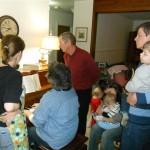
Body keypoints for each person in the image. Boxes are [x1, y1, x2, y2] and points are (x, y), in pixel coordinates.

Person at [24, 61, 79, 150]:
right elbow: (58, 106)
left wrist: (26, 112)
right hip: (69, 133)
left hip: (56, 141)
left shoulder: (49, 96)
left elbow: (37, 121)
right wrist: (42, 105)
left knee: (27, 130)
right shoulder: (71, 90)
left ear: (52, 79)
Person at [59, 32, 99, 135]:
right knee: (70, 115)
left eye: (60, 42)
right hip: (70, 90)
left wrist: (86, 84)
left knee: (81, 117)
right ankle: (70, 137)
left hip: (83, 92)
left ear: (68, 42)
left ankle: (80, 141)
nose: (59, 45)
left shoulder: (85, 56)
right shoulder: (66, 55)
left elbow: (95, 74)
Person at [121, 22, 150, 150]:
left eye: (139, 35)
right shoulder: (144, 63)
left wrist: (140, 97)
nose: (135, 38)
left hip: (140, 121)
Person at [0, 34, 29, 149]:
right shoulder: (14, 75)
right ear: (19, 53)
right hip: (5, 127)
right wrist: (18, 108)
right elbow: (9, 106)